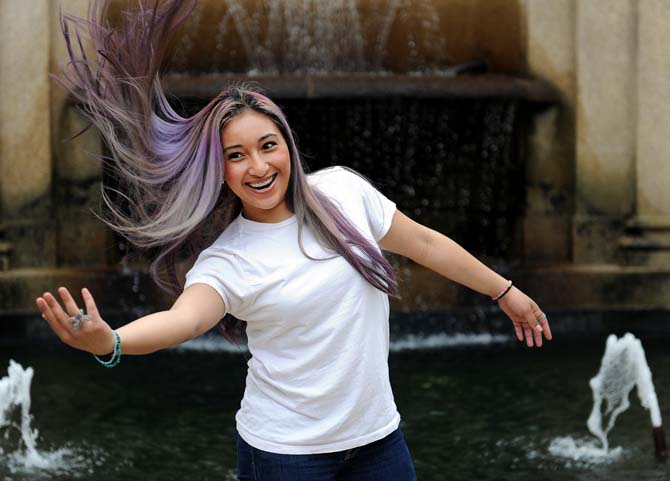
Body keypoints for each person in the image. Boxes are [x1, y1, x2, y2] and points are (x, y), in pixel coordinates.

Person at [37, 1, 553, 479]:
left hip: (378, 440)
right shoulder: (229, 259)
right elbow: (182, 320)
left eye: (268, 145)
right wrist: (111, 342)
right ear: (219, 170)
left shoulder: (344, 192)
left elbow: (426, 244)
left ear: (288, 145)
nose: (258, 167)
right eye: (236, 155)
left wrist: (504, 291)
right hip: (285, 454)